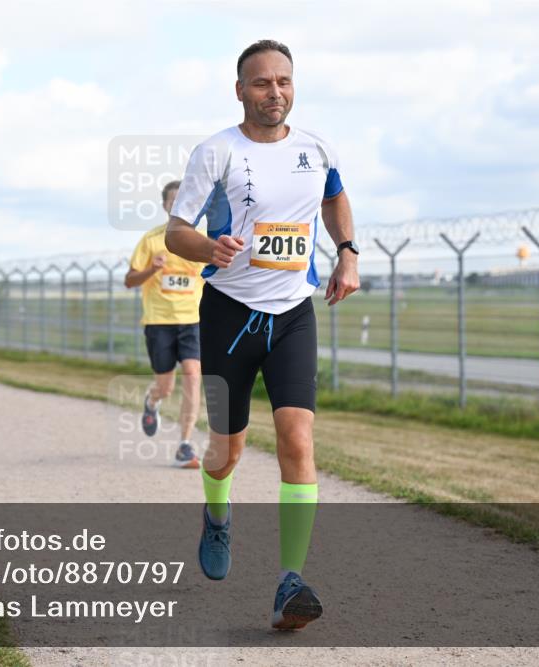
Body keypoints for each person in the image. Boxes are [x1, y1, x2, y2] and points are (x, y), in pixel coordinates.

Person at [164, 40, 359, 630]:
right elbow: (177, 232)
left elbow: (334, 196)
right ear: (240, 90)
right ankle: (217, 513)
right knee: (227, 450)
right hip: (228, 312)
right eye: (261, 83)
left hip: (293, 313)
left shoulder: (315, 147)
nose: (274, 92)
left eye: (284, 81)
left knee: (298, 442)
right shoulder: (216, 152)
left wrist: (347, 252)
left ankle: (289, 582)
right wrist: (209, 246)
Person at [125, 180, 204, 469]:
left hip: (192, 321)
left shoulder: (203, 240)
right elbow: (129, 281)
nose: (179, 204)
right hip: (159, 322)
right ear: (165, 205)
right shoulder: (151, 240)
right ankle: (152, 401)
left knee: (193, 376)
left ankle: (184, 445)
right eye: (173, 200)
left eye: (184, 199)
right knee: (166, 386)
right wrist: (151, 269)